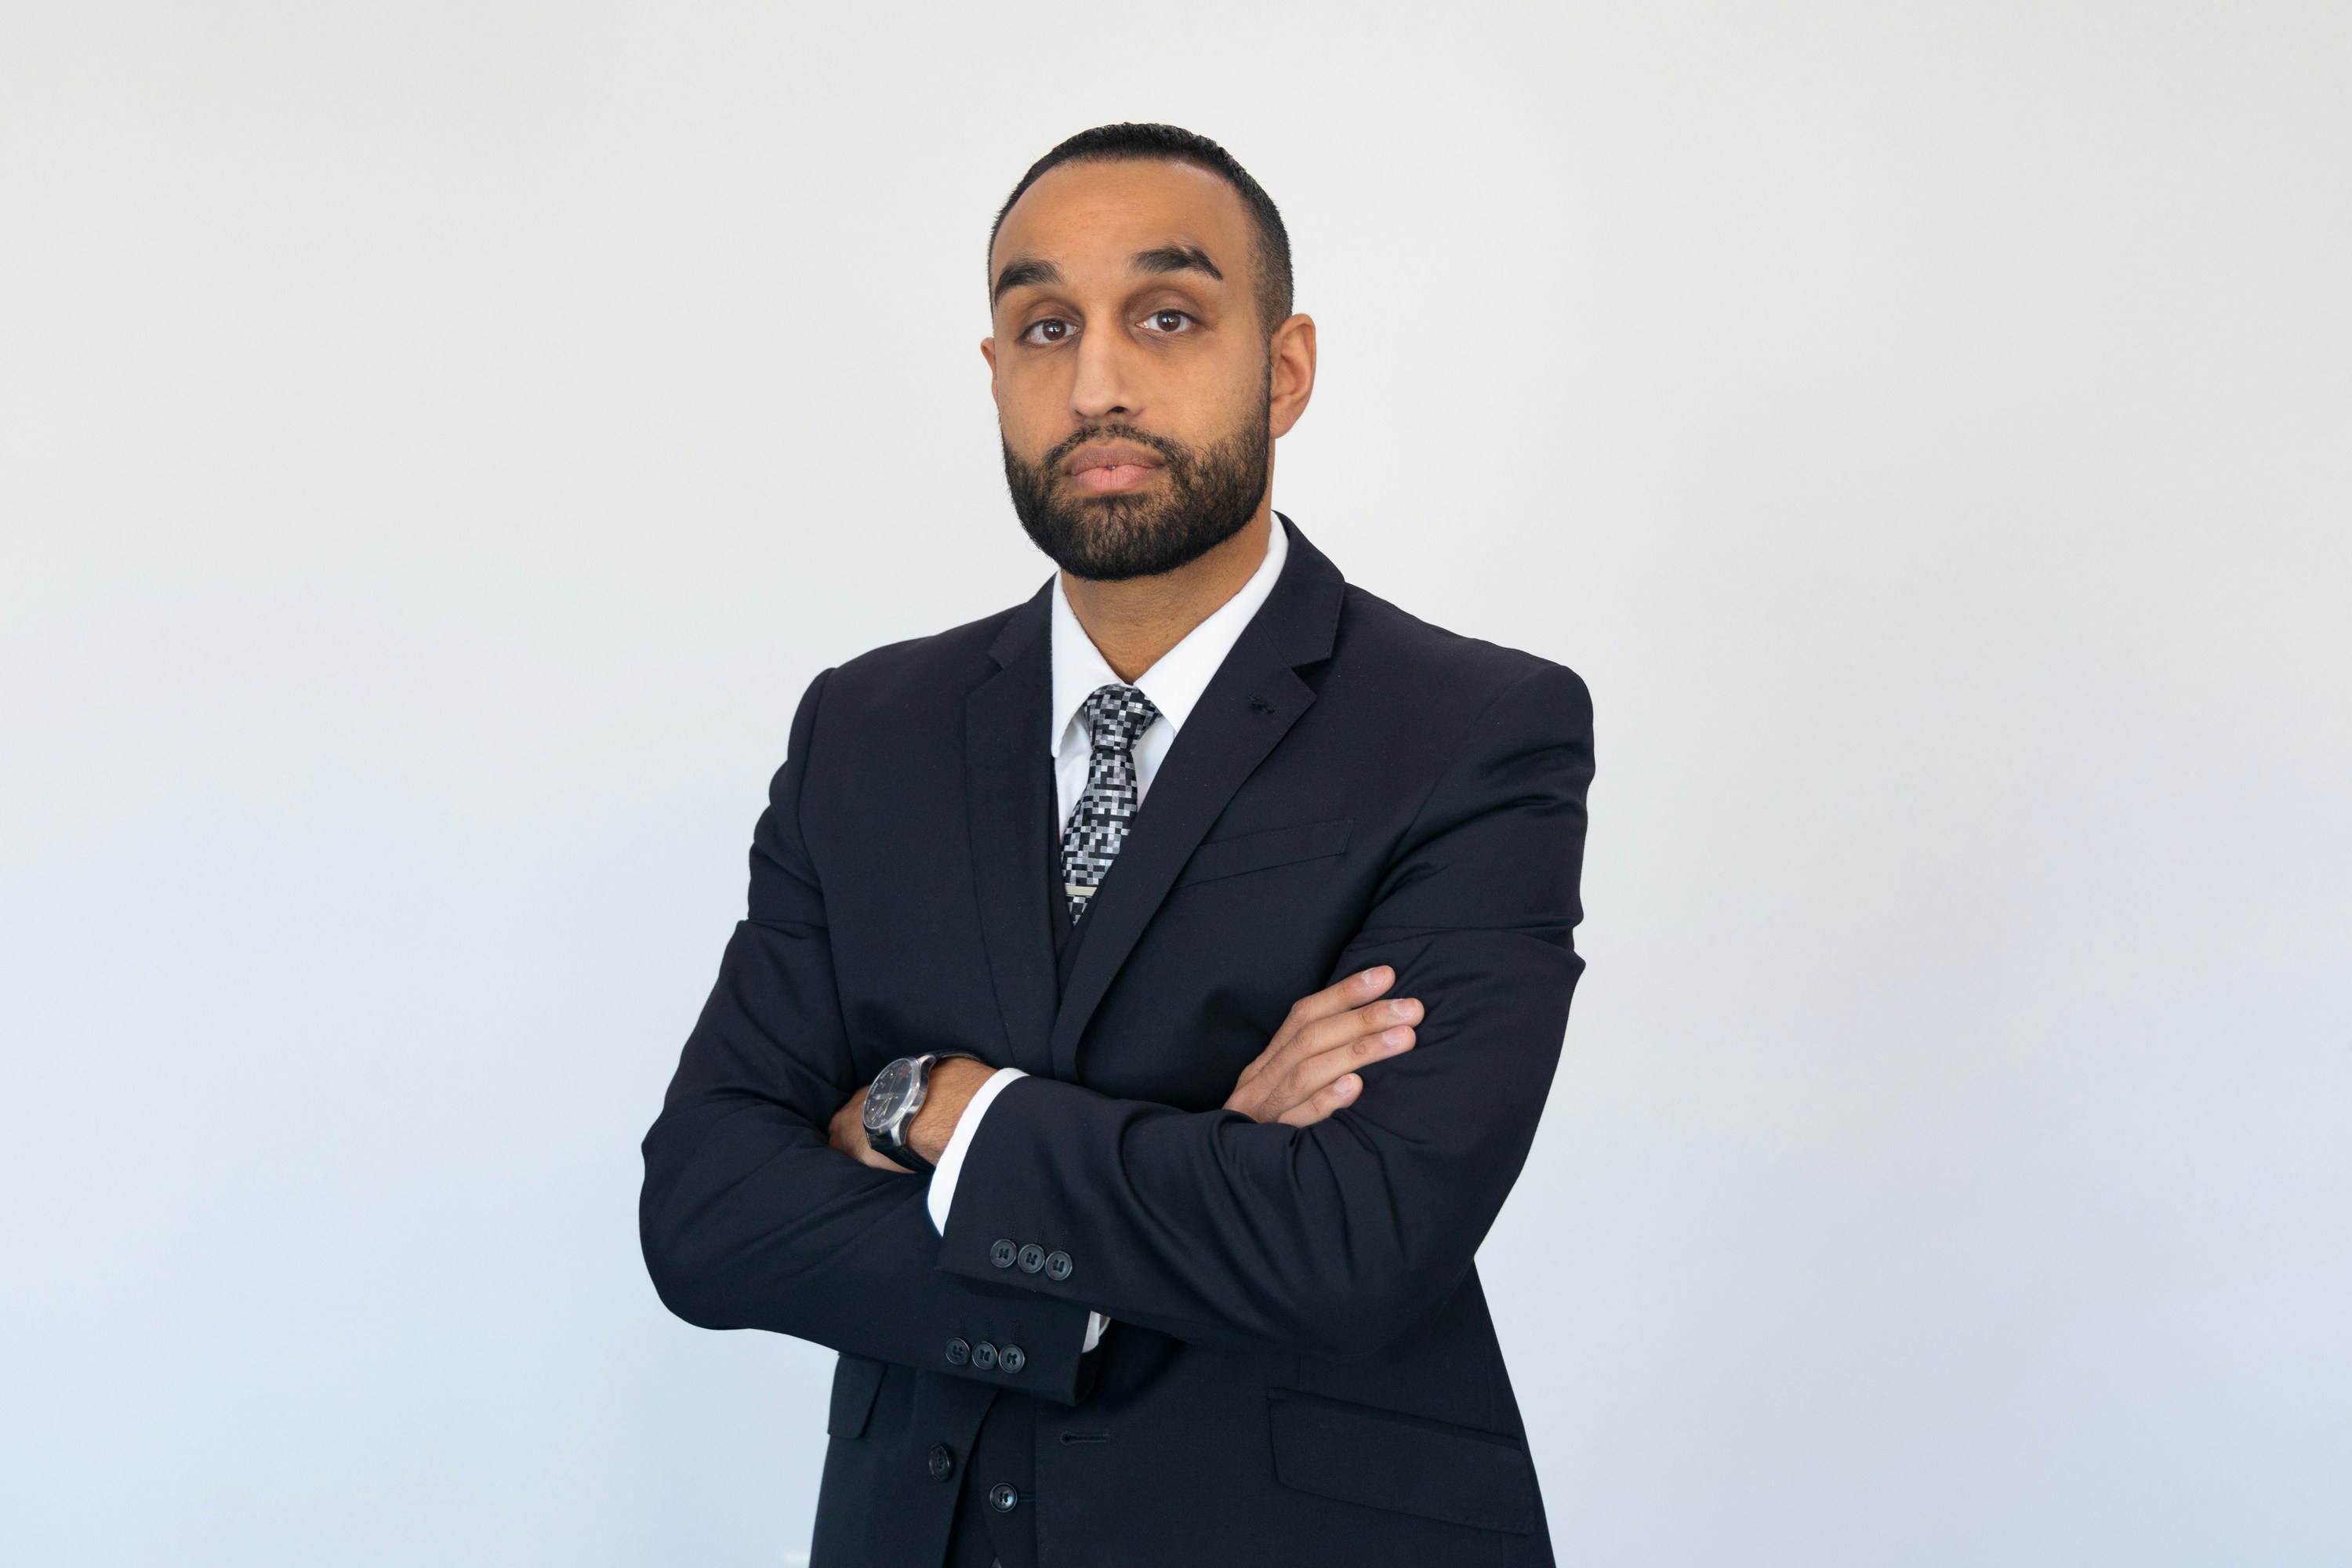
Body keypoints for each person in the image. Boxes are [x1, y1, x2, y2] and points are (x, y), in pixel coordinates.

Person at [641, 122, 1594, 1568]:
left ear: (1283, 368)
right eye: (1044, 326)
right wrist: (1211, 1162)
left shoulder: (1472, 730)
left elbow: (1360, 1241)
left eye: (1166, 315)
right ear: (996, 375)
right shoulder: (866, 728)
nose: (1096, 381)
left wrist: (937, 1112)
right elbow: (707, 1211)